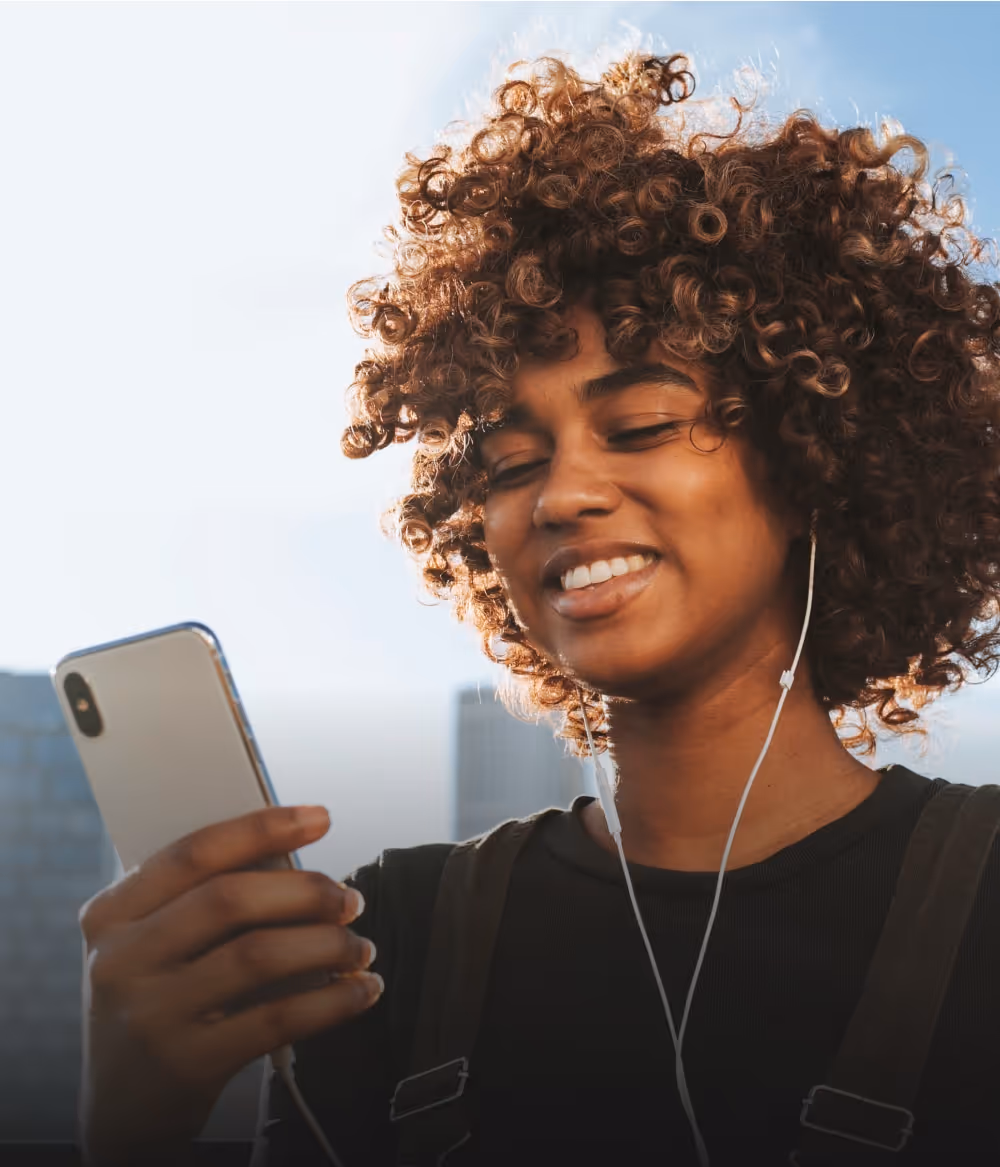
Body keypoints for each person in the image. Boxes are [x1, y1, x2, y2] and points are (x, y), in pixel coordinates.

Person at [77, 52, 1000, 1167]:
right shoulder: (389, 943)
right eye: (511, 461)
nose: (561, 494)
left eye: (643, 424)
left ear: (814, 463)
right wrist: (134, 1127)